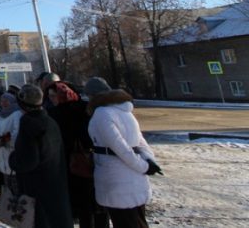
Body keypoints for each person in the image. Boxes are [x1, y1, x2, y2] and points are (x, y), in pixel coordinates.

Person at [85, 77, 161, 228]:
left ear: (93, 95)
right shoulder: (125, 111)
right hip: (134, 178)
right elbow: (140, 142)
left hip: (116, 178)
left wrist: (144, 167)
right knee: (138, 221)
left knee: (125, 222)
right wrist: (149, 161)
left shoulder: (102, 113)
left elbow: (119, 147)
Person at [9, 84, 74, 228]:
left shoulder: (28, 124)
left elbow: (28, 161)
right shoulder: (50, 121)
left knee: (38, 221)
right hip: (54, 183)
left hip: (36, 187)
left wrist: (13, 159)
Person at [47, 82, 109, 228]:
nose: (51, 99)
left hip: (79, 162)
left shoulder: (58, 114)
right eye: (49, 96)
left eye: (53, 96)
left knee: (86, 207)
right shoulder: (84, 108)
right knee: (94, 205)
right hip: (88, 162)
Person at [0, 92, 22, 191]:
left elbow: (17, 133)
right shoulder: (0, 113)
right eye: (2, 101)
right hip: (2, 150)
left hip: (13, 151)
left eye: (6, 101)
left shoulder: (17, 113)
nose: (3, 103)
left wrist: (5, 140)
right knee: (6, 182)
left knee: (15, 183)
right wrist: (0, 139)